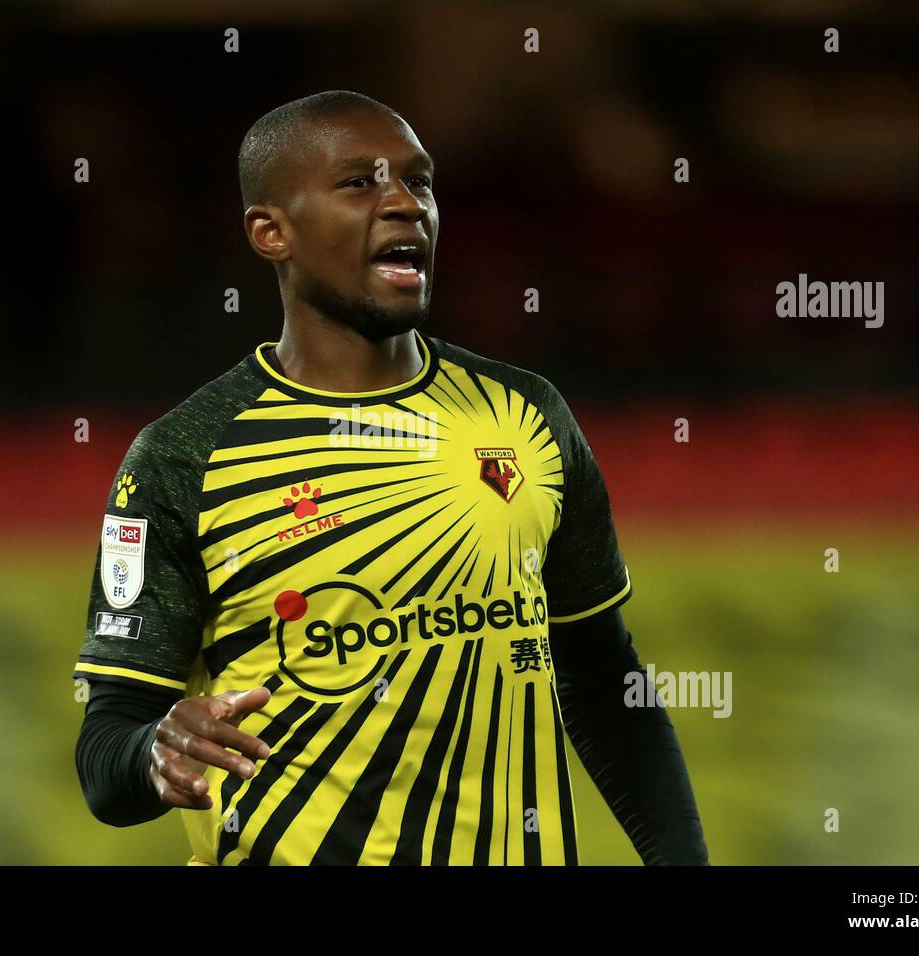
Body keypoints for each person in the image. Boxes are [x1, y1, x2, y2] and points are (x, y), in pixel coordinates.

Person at [73, 90, 708, 865]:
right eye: (360, 184)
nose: (406, 204)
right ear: (271, 232)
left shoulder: (529, 417)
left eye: (420, 182)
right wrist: (155, 750)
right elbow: (106, 752)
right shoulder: (182, 457)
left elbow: (607, 684)